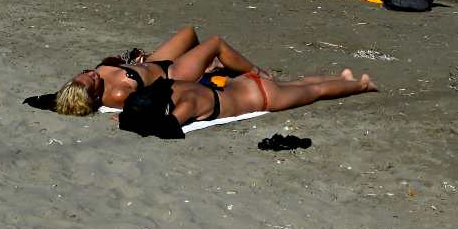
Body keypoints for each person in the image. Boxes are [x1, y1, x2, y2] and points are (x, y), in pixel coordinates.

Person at [54, 25, 259, 115]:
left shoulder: (86, 83)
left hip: (153, 62)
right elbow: (151, 102)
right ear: (94, 95)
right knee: (215, 42)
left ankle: (205, 63)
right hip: (172, 73)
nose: (93, 73)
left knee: (188, 32)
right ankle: (257, 72)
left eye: (87, 71)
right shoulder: (117, 94)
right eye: (93, 79)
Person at [119, 67, 377, 139]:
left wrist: (134, 123)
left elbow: (167, 129)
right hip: (247, 81)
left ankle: (361, 85)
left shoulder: (186, 104)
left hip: (264, 98)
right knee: (300, 83)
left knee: (315, 91)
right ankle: (343, 77)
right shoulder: (172, 87)